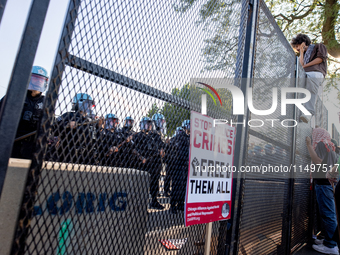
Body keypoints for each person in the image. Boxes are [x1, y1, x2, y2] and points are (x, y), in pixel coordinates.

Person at [0, 66, 48, 159]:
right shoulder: (14, 95)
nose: (38, 82)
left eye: (41, 80)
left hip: (32, 147)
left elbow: (51, 124)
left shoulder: (46, 102)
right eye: (35, 79)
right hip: (10, 142)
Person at [306, 128, 339, 254]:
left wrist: (309, 145)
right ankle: (328, 240)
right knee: (328, 214)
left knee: (328, 215)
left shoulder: (321, 144)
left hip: (323, 185)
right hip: (327, 184)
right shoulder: (330, 146)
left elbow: (318, 160)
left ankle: (331, 246)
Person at [52, 93, 101, 164]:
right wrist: (67, 124)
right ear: (80, 103)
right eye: (88, 103)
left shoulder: (90, 120)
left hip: (86, 156)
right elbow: (54, 128)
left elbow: (95, 138)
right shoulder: (69, 115)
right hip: (68, 154)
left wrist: (99, 128)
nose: (90, 106)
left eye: (90, 104)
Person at [291, 34, 328, 125]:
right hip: (304, 73)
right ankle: (291, 110)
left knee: (311, 87)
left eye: (297, 46)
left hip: (315, 72)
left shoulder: (318, 46)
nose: (297, 49)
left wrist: (305, 66)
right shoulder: (301, 55)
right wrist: (302, 53)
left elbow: (320, 59)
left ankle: (308, 112)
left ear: (302, 43)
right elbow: (300, 65)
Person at [132, 117, 165, 210]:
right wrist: (140, 157)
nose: (149, 125)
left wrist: (162, 151)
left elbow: (161, 146)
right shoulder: (137, 135)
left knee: (154, 183)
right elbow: (133, 149)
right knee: (142, 184)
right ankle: (140, 204)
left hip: (154, 164)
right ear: (142, 124)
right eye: (147, 123)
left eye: (150, 123)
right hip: (143, 163)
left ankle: (154, 201)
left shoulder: (153, 136)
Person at [170, 120, 190, 214]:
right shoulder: (180, 137)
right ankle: (173, 206)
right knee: (177, 185)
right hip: (178, 164)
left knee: (183, 186)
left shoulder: (189, 137)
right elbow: (178, 151)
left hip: (185, 164)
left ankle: (180, 204)